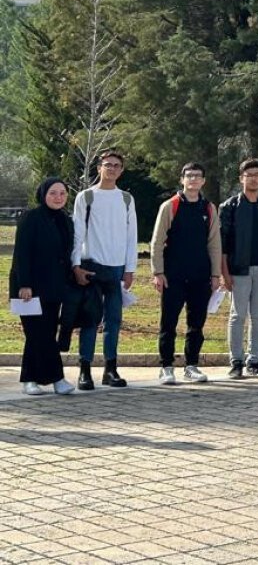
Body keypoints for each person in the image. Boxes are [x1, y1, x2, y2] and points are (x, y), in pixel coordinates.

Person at [149, 162, 222, 385]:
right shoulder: (170, 206)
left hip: (200, 276)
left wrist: (216, 274)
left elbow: (214, 244)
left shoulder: (209, 208)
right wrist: (158, 271)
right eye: (189, 176)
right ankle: (166, 367)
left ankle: (191, 366)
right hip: (173, 276)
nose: (193, 180)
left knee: (196, 324)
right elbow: (157, 241)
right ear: (182, 179)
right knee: (168, 323)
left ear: (203, 181)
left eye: (197, 176)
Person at [72, 149, 138, 390]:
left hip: (117, 268)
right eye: (107, 164)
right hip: (91, 266)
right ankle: (84, 370)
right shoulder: (86, 197)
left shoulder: (126, 199)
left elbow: (132, 236)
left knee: (114, 320)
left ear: (121, 170)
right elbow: (77, 233)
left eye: (116, 165)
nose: (111, 168)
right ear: (99, 167)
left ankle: (110, 369)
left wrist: (130, 269)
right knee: (90, 320)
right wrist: (75, 265)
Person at [220, 158, 258, 379]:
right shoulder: (229, 207)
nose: (253, 178)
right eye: (249, 175)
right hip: (238, 269)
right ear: (241, 178)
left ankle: (254, 360)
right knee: (237, 316)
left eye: (257, 174)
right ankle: (235, 361)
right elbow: (223, 244)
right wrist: (224, 273)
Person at [12, 178, 75, 396]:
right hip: (28, 288)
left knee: (44, 333)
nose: (58, 198)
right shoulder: (32, 218)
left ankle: (30, 378)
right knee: (39, 334)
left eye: (62, 194)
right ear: (43, 195)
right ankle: (57, 378)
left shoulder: (65, 220)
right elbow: (22, 253)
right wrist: (25, 284)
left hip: (54, 287)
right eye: (53, 193)